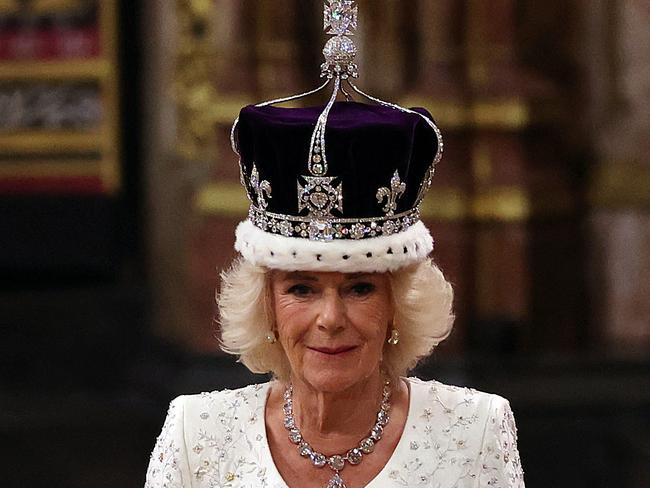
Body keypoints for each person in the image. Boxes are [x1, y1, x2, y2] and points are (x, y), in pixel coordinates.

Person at [145, 2, 525, 487]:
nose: (330, 318)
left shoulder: (475, 433)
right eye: (301, 289)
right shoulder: (195, 434)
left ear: (398, 305)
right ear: (267, 307)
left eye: (360, 288)